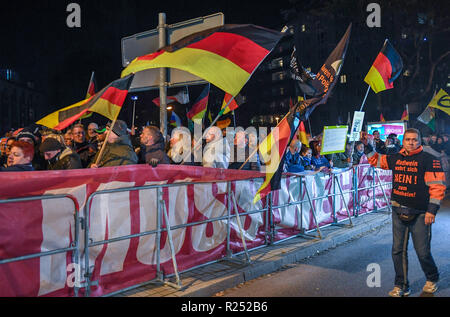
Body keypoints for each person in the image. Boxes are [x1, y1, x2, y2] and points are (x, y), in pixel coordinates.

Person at [365, 128, 446, 297]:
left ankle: (432, 278)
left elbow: (437, 187)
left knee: (422, 252)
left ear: (419, 140)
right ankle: (401, 285)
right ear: (403, 141)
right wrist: (367, 145)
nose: (411, 142)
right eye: (408, 139)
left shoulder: (430, 160)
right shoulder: (396, 158)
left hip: (421, 213)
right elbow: (376, 160)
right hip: (398, 211)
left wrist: (432, 210)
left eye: (414, 139)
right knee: (397, 251)